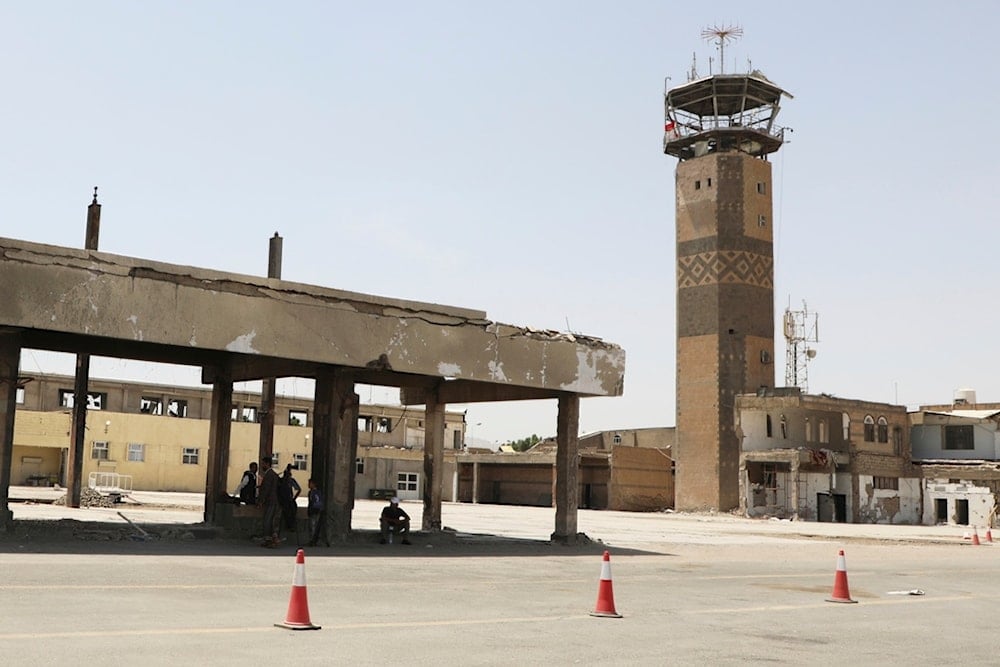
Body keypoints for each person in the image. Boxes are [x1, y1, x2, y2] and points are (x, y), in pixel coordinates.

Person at [256, 456, 280, 547]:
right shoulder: (273, 474)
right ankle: (272, 539)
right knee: (271, 521)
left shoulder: (269, 475)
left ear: (267, 464)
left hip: (270, 501)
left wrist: (260, 501)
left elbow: (266, 489)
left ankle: (269, 540)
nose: (262, 465)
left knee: (267, 521)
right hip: (273, 501)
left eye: (263, 464)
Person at [278, 464, 302, 532]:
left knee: (292, 511)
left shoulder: (289, 480)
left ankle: (290, 525)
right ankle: (289, 525)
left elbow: (299, 489)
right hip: (284, 500)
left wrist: (294, 498)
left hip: (288, 500)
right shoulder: (282, 481)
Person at [306, 478, 324, 547]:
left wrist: (309, 510)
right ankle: (315, 540)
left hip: (313, 510)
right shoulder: (319, 492)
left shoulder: (312, 493)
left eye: (310, 483)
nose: (308, 485)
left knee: (312, 526)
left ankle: (312, 540)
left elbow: (311, 502)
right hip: (318, 510)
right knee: (315, 526)